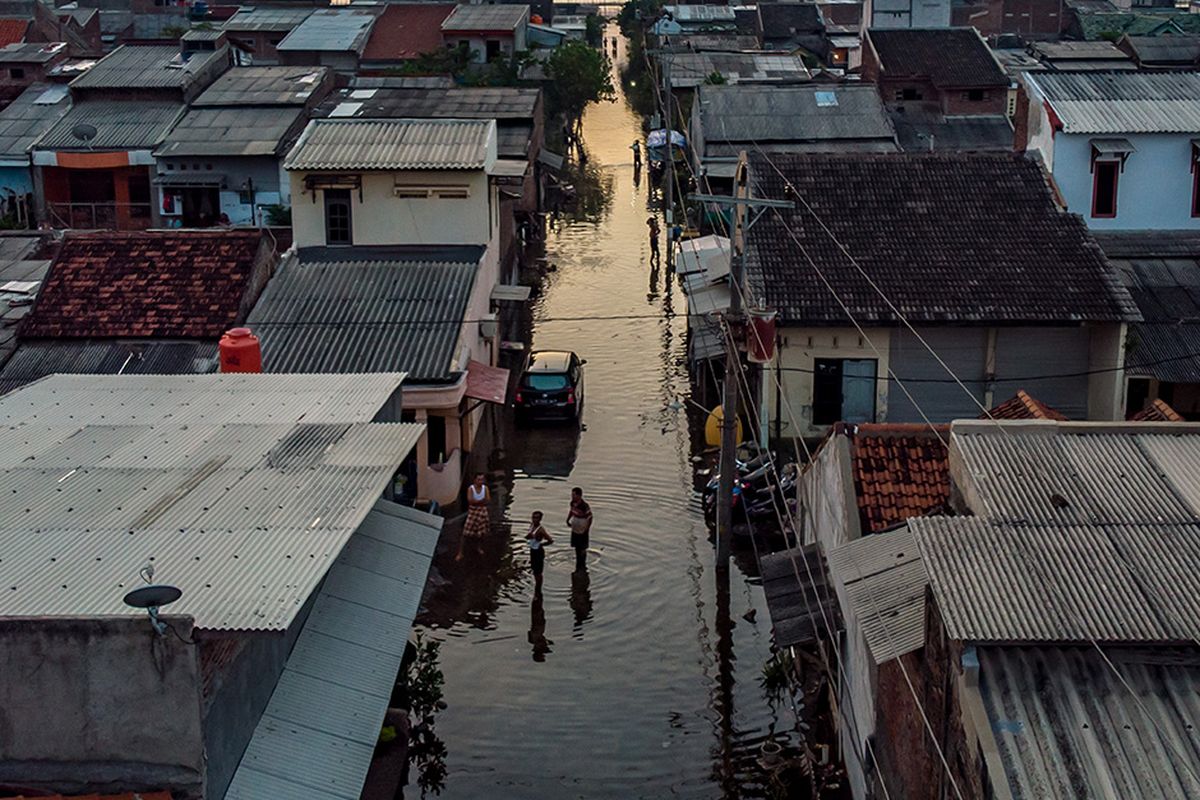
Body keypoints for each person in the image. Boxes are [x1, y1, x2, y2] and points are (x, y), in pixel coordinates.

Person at [456, 473, 490, 560]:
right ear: (475, 480)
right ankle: (460, 552)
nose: (480, 482)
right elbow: (470, 501)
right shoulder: (471, 489)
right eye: (479, 480)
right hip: (473, 511)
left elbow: (488, 500)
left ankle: (479, 547)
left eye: (482, 480)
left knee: (481, 533)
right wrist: (480, 502)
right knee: (465, 533)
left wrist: (478, 502)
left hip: (482, 511)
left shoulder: (485, 488)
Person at [567, 487, 593, 571]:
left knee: (582, 547)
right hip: (575, 528)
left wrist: (587, 529)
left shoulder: (584, 506)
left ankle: (583, 563)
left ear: (579, 495)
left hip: (583, 528)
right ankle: (578, 562)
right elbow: (571, 511)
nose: (572, 497)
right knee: (576, 545)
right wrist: (568, 519)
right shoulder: (572, 503)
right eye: (572, 495)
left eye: (574, 495)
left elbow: (590, 517)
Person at [526, 510, 553, 588]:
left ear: (540, 519)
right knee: (534, 570)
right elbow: (528, 537)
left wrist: (541, 545)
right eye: (533, 517)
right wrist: (529, 536)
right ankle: (536, 585)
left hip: (538, 552)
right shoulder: (531, 526)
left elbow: (550, 540)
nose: (534, 519)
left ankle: (538, 587)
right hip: (532, 550)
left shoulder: (541, 530)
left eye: (536, 518)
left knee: (538, 572)